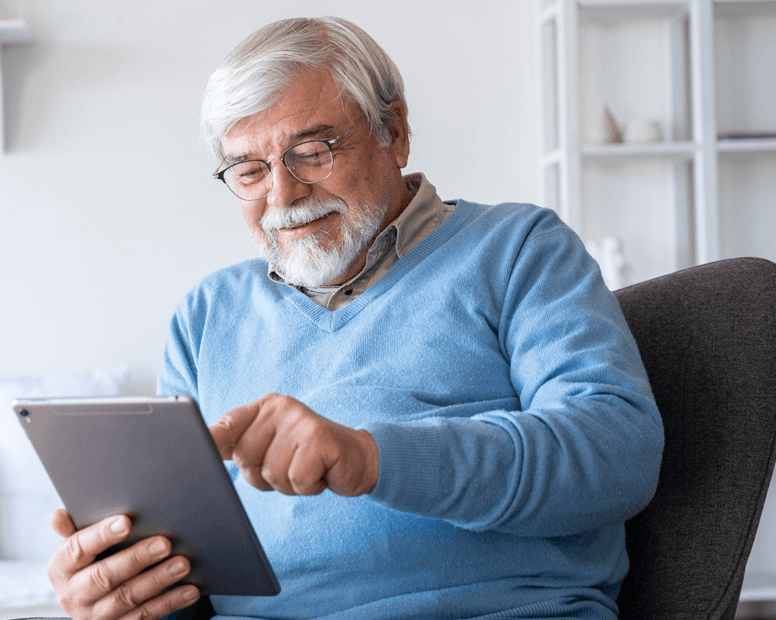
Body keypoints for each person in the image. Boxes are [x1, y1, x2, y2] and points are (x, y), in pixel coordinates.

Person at [46, 16, 664, 620]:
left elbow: (615, 453)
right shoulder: (207, 315)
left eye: (311, 152)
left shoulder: (518, 249)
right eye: (250, 170)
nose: (283, 195)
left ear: (393, 130)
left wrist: (371, 459)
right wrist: (125, 591)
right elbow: (191, 568)